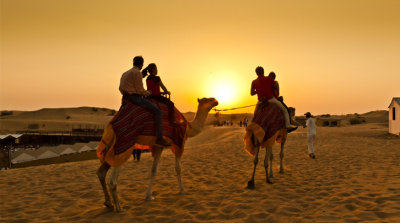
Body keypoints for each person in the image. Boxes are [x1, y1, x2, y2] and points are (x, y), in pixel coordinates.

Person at [119, 56, 170, 147]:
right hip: (134, 97)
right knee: (158, 112)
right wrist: (148, 92)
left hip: (124, 98)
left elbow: (121, 88)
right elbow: (140, 90)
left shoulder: (125, 73)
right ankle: (159, 138)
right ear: (142, 64)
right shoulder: (137, 73)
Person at [250, 66, 297, 132]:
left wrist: (258, 90)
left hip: (261, 101)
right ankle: (288, 126)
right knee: (284, 110)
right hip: (271, 99)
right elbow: (275, 86)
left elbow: (251, 93)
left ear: (256, 73)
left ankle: (252, 126)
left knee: (255, 115)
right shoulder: (269, 79)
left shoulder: (254, 82)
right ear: (263, 72)